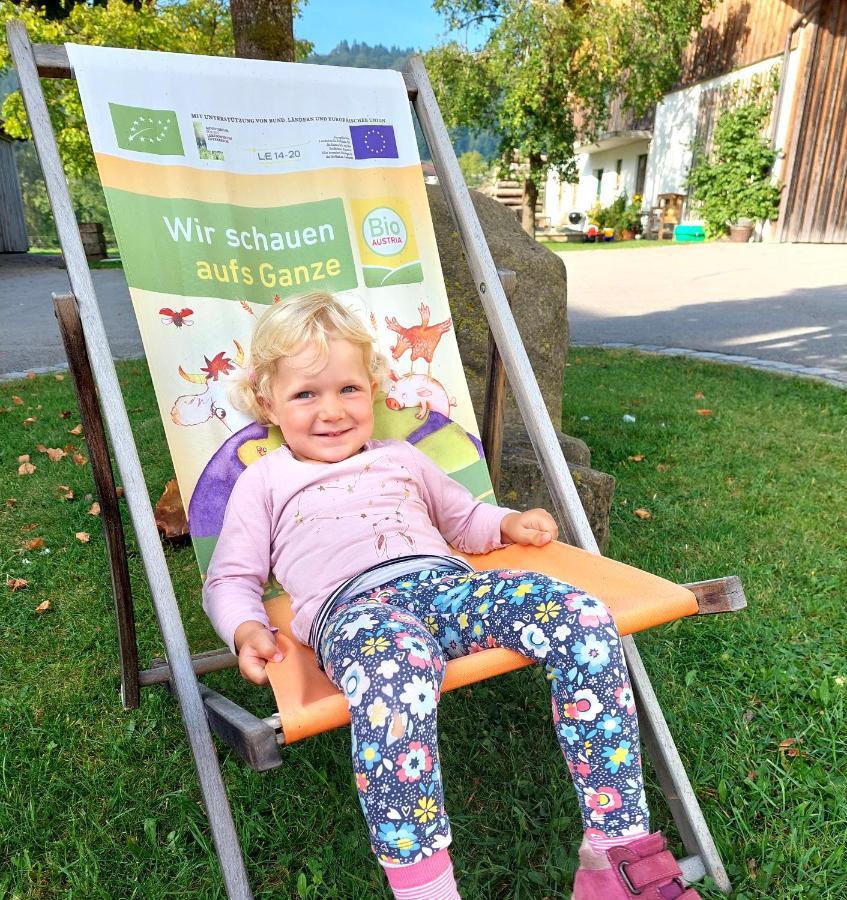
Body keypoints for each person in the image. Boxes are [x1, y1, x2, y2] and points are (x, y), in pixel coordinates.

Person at [203, 292, 700, 900]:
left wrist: (505, 524)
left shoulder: (401, 458)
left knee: (578, 614)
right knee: (396, 670)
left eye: (348, 390)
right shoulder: (264, 481)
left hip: (448, 590)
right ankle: (427, 890)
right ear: (267, 402)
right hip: (358, 613)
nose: (331, 410)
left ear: (375, 390)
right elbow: (231, 579)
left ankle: (615, 852)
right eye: (306, 394)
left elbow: (462, 519)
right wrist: (244, 628)